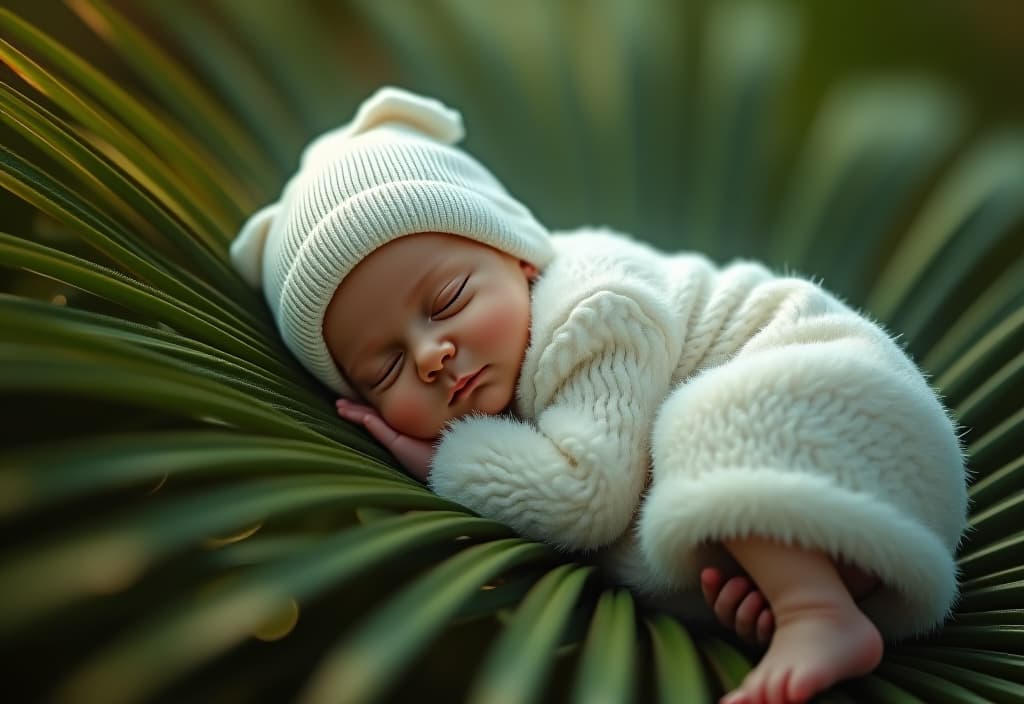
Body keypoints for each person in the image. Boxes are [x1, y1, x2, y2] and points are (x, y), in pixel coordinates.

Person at [230, 87, 968, 704]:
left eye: (449, 297)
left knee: (708, 422)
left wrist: (446, 462)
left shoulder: (592, 307)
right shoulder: (513, 362)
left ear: (518, 255)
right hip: (842, 507)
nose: (430, 355)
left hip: (847, 412)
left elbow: (588, 497)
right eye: (383, 370)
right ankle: (807, 577)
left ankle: (817, 609)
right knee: (700, 483)